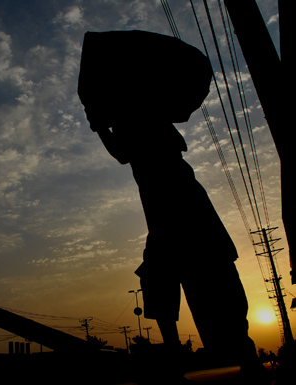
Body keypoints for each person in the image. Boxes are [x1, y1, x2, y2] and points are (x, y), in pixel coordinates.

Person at [91, 115, 268, 384]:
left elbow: (123, 151)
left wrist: (100, 124)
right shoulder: (139, 123)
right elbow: (123, 152)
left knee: (215, 284)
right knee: (162, 278)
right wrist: (101, 125)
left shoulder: (146, 119)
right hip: (167, 219)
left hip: (188, 215)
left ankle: (240, 355)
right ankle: (183, 355)